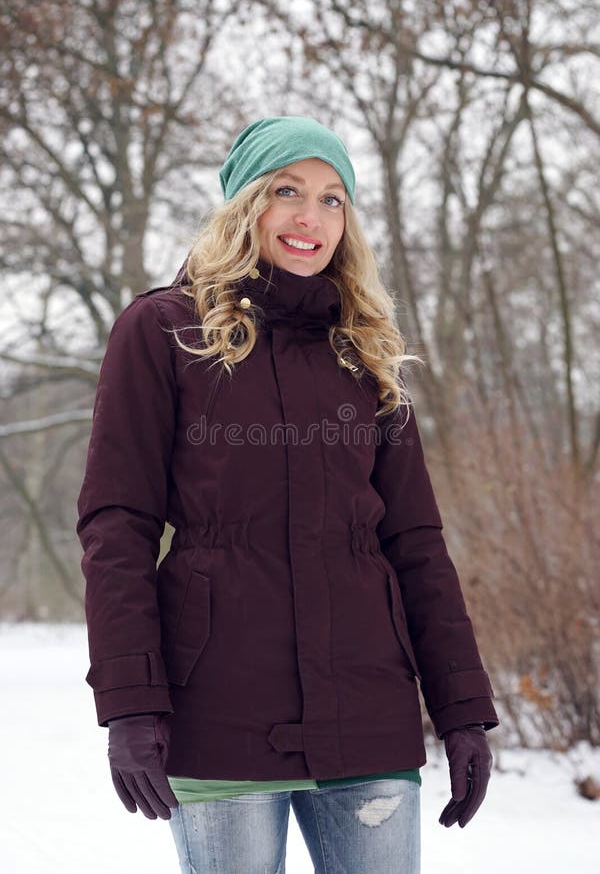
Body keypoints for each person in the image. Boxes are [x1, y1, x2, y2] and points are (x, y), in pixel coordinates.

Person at [76, 115, 499, 874]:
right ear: (245, 205)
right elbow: (118, 525)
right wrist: (131, 702)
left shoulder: (365, 348)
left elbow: (415, 543)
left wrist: (463, 710)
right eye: (288, 191)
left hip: (366, 711)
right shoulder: (167, 331)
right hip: (218, 708)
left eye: (334, 198)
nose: (312, 217)